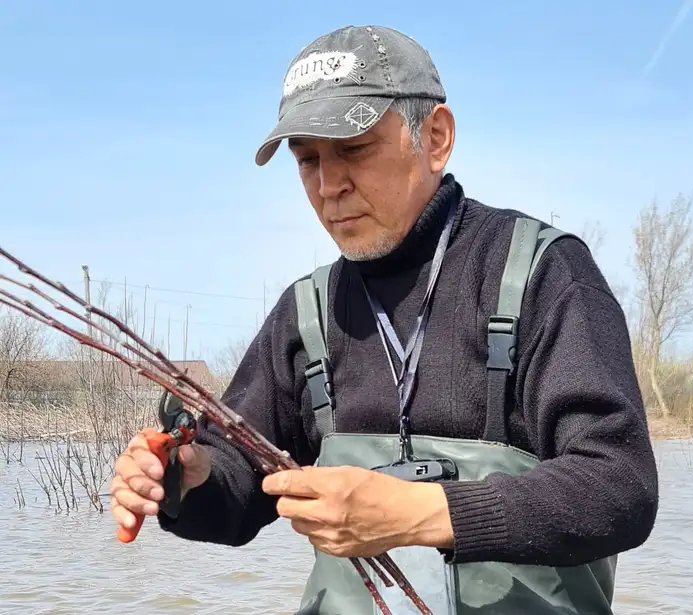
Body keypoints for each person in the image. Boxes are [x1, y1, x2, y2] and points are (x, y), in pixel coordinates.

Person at [110, 24, 659, 615]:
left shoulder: (541, 275)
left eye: (354, 149)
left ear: (437, 138)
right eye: (307, 161)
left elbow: (618, 487)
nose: (329, 186)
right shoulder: (306, 312)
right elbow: (241, 487)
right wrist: (186, 482)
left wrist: (420, 513)